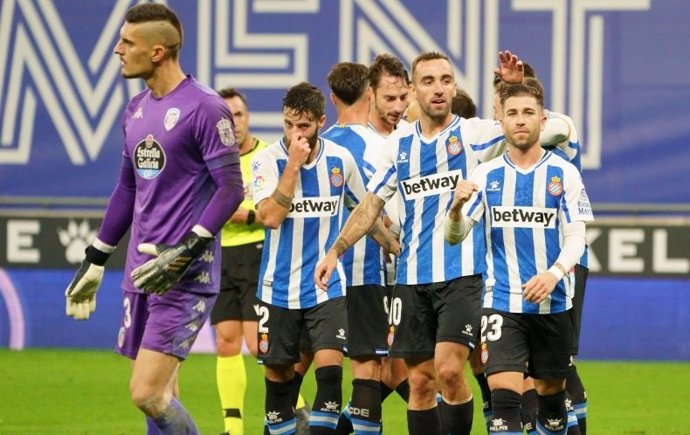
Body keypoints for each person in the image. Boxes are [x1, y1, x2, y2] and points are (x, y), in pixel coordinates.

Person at [315, 50, 527, 435]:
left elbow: (522, 124)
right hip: (411, 278)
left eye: (446, 80)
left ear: (454, 87)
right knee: (420, 382)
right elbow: (370, 205)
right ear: (414, 89)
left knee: (449, 370)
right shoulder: (397, 146)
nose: (439, 89)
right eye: (428, 81)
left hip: (464, 274)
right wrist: (335, 250)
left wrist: (512, 88)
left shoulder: (474, 135)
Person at [64, 4, 244, 435]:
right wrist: (95, 257)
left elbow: (231, 189)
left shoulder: (205, 107)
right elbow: (127, 189)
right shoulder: (136, 109)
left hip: (183, 274)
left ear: (158, 51)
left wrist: (186, 250)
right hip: (141, 272)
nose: (117, 50)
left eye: (127, 43)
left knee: (146, 392)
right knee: (162, 394)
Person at [444, 83, 594, 435]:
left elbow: (577, 237)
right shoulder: (485, 175)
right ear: (502, 120)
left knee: (552, 401)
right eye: (512, 113)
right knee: (504, 399)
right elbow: (456, 236)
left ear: (543, 121)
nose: (520, 120)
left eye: (528, 113)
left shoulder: (563, 174)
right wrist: (453, 209)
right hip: (502, 303)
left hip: (553, 303)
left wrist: (554, 274)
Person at [251, 82, 398, 435]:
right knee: (279, 382)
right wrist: (293, 167)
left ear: (320, 121)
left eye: (303, 126)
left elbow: (365, 211)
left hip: (325, 286)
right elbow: (270, 217)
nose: (294, 134)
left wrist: (391, 243)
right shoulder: (267, 161)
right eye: (288, 124)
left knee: (331, 374)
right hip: (277, 288)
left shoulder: (339, 160)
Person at [210, 88, 309, 435]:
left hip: (258, 253)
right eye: (225, 117)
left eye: (237, 115)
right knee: (225, 340)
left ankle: (298, 410)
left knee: (258, 345)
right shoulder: (212, 161)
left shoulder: (267, 156)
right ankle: (232, 428)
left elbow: (280, 206)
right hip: (220, 254)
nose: (233, 123)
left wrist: (245, 216)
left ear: (248, 117)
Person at [322, 62, 397, 435]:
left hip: (316, 276)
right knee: (368, 370)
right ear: (370, 93)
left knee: (299, 370)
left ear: (332, 98)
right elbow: (384, 215)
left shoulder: (318, 147)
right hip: (366, 274)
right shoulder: (382, 147)